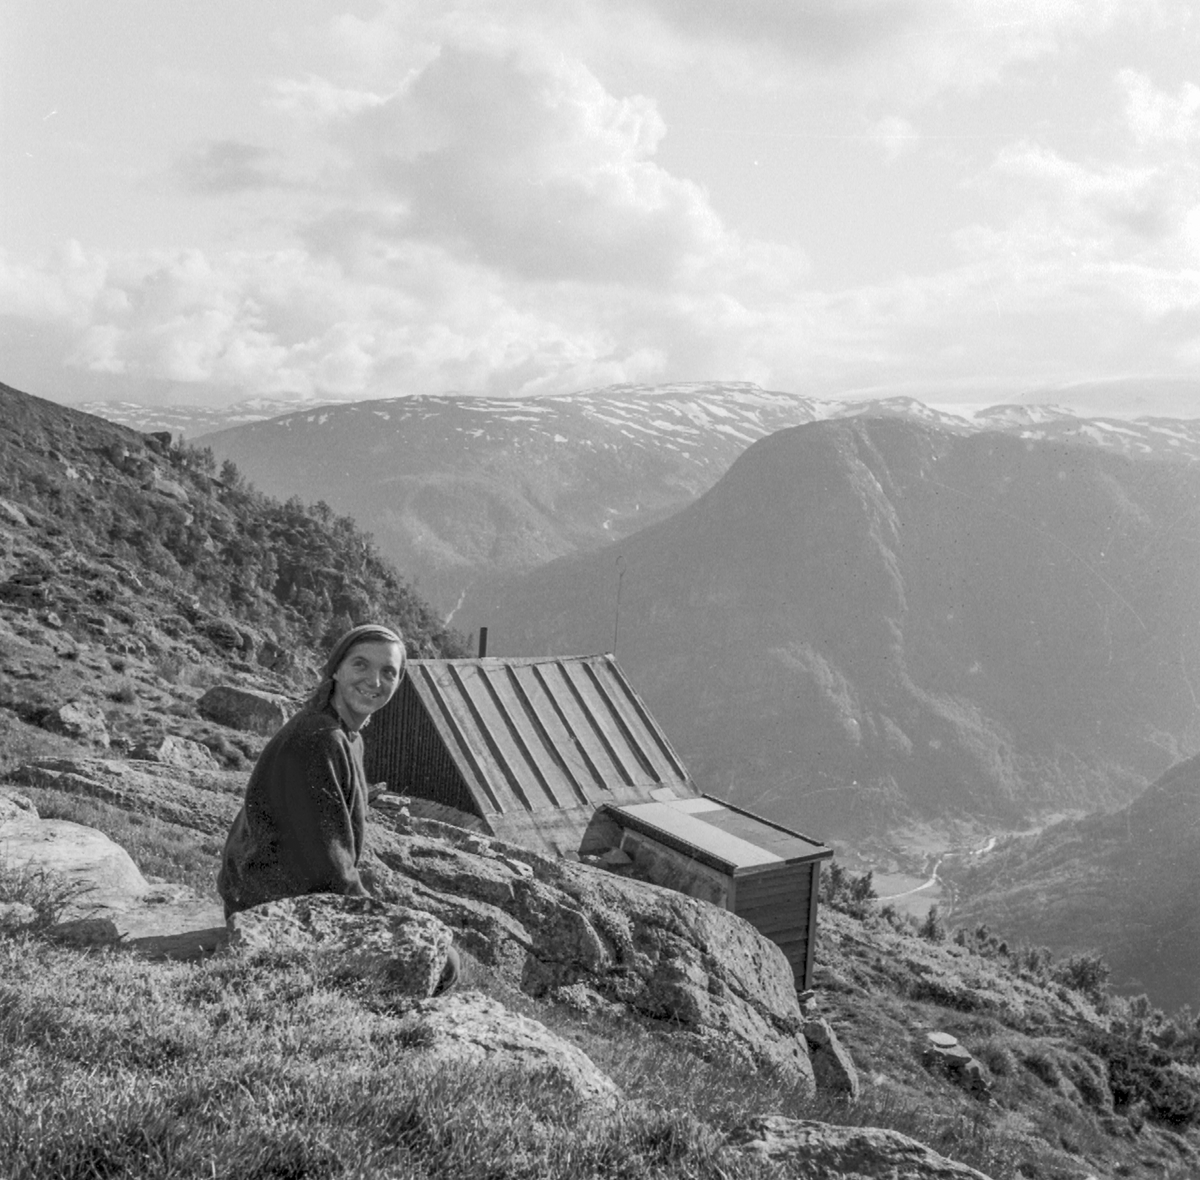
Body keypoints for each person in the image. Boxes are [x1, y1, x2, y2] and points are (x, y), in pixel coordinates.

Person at [217, 622, 459, 993]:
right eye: (360, 665)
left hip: (267, 893)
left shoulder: (342, 734)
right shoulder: (321, 741)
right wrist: (385, 921)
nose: (374, 681)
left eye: (388, 672)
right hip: (270, 909)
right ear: (336, 668)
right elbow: (328, 866)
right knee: (444, 966)